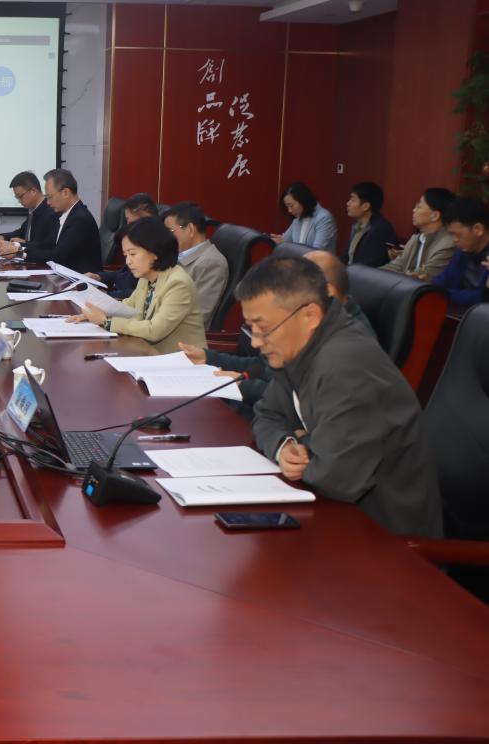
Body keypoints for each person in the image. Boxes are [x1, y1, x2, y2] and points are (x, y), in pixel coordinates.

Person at [237, 256, 440, 538]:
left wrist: (305, 442)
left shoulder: (348, 365)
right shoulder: (296, 349)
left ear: (309, 315)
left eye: (264, 327)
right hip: (334, 515)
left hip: (385, 538)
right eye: (251, 328)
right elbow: (266, 414)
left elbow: (334, 478)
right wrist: (285, 445)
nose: (256, 341)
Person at [182, 250, 375, 419]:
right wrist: (210, 358)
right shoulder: (304, 321)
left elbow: (296, 402)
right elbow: (264, 369)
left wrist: (242, 386)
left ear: (327, 292)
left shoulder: (347, 347)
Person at [69, 216, 205, 353]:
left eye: (133, 254)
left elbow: (154, 330)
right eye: (125, 255)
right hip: (146, 353)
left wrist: (106, 321)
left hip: (181, 360)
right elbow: (128, 307)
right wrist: (96, 312)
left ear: (155, 252)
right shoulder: (146, 278)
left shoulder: (178, 283)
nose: (128, 261)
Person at [0, 168, 101, 274]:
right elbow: (48, 244)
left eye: (49, 197)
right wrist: (17, 247)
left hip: (80, 280)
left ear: (65, 193)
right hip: (65, 275)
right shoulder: (69, 215)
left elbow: (57, 255)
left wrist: (20, 252)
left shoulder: (79, 219)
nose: (48, 202)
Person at [162, 201, 228, 318]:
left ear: (190, 229)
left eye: (170, 231)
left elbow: (198, 315)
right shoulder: (177, 254)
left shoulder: (212, 263)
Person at [89, 193, 158, 299]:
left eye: (133, 222)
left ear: (148, 219)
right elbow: (124, 273)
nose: (128, 226)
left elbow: (141, 292)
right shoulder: (137, 241)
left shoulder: (154, 246)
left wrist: (108, 296)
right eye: (127, 220)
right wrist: (98, 277)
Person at [382, 187, 456, 279]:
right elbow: (397, 266)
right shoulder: (416, 238)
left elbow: (425, 274)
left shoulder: (448, 243)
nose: (414, 210)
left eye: (419, 206)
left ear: (435, 215)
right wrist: (371, 274)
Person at [431, 197, 489, 306]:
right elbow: (438, 286)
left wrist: (447, 294)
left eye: (457, 234)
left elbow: (482, 299)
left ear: (478, 229)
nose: (454, 240)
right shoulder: (462, 252)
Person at [0, 170, 56, 248]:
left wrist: (22, 244)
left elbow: (48, 246)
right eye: (17, 197)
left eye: (20, 196)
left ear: (33, 191)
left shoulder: (51, 212)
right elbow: (22, 232)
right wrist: (3, 236)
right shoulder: (33, 210)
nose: (19, 201)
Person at [342, 181, 397, 267]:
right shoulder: (357, 225)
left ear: (366, 206)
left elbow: (368, 265)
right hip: (351, 271)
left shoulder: (380, 229)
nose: (348, 203)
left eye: (353, 200)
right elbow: (346, 257)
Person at [271, 182, 337, 252]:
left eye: (291, 205)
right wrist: (276, 239)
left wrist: (286, 244)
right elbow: (286, 239)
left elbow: (316, 252)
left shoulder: (324, 218)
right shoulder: (297, 219)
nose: (289, 210)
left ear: (303, 201)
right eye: (287, 206)